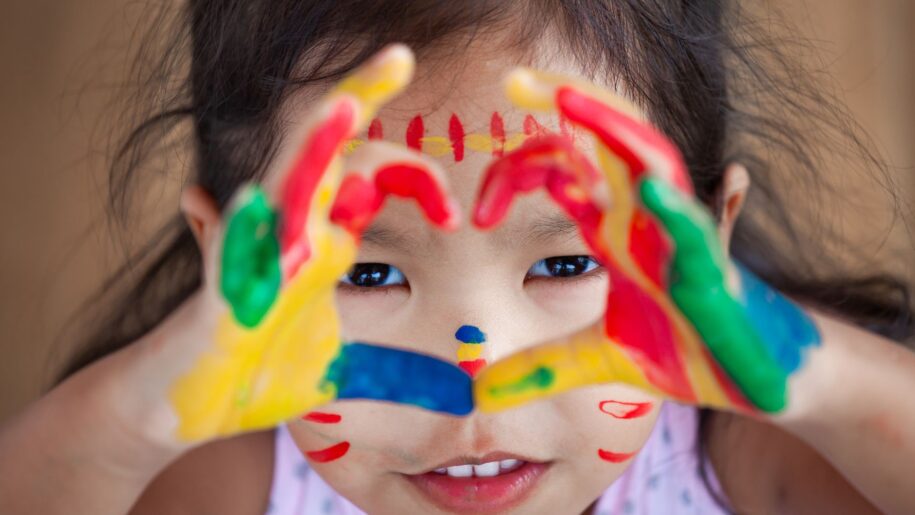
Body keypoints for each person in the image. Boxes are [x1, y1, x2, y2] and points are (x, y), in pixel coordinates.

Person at [1, 2, 913, 514]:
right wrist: (151, 402)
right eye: (364, 271)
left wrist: (808, 376)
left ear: (708, 241)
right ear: (220, 259)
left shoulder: (745, 456)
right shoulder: (238, 481)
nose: (472, 360)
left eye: (563, 264)